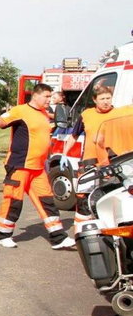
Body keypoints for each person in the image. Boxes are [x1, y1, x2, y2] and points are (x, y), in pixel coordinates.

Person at [0, 82, 75, 250]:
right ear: (35, 95)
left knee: (47, 201)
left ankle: (58, 238)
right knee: (14, 200)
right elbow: (1, 121)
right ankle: (3, 236)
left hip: (37, 168)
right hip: (20, 165)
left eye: (50, 97)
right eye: (46, 96)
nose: (49, 100)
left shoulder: (44, 114)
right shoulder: (20, 110)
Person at [62, 85, 114, 232]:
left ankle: (107, 229)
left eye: (108, 98)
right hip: (89, 163)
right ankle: (81, 229)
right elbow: (74, 135)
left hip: (111, 163)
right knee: (83, 197)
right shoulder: (86, 115)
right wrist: (65, 153)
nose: (105, 102)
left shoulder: (117, 114)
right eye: (102, 99)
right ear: (94, 100)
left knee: (108, 196)